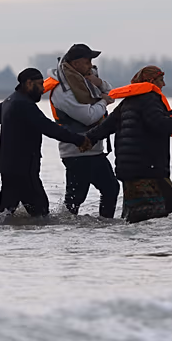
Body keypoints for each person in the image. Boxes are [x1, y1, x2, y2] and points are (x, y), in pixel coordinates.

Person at [85, 66, 172, 223]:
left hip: (129, 169)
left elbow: (105, 127)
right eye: (161, 80)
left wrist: (86, 139)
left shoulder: (128, 102)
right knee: (153, 218)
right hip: (147, 169)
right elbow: (161, 125)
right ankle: (151, 246)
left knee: (138, 216)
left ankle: (134, 245)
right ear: (151, 81)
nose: (163, 85)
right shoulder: (150, 99)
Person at [0, 68, 89, 217]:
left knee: (4, 210)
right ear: (28, 83)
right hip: (24, 168)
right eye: (40, 85)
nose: (42, 89)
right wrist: (78, 139)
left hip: (8, 167)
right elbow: (49, 128)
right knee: (41, 212)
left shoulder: (10, 101)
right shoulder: (24, 105)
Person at [43, 44, 121, 218]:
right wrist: (103, 102)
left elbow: (111, 92)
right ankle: (68, 227)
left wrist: (99, 82)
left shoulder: (84, 81)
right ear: (76, 63)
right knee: (76, 199)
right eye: (87, 61)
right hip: (76, 151)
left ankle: (103, 224)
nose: (90, 65)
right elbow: (88, 117)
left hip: (94, 150)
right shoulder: (63, 90)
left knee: (111, 188)